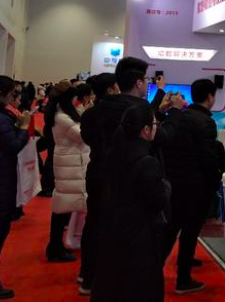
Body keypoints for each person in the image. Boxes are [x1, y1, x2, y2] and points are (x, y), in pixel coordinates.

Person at [78, 57, 183, 295]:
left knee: (96, 224)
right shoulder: (138, 113)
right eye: (146, 79)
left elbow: (89, 137)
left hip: (100, 174)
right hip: (135, 181)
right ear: (138, 82)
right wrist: (175, 112)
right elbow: (163, 137)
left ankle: (88, 276)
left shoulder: (99, 109)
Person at [90, 101, 171, 302]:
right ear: (145, 130)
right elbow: (158, 200)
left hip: (113, 231)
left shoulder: (114, 154)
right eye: (154, 124)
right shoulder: (147, 161)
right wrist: (166, 186)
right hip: (139, 236)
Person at [162, 79, 225, 295]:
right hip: (196, 187)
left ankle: (152, 269)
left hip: (175, 183)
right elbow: (208, 159)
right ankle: (183, 279)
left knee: (170, 229)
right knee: (189, 234)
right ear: (210, 97)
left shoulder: (179, 117)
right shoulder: (206, 122)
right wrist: (215, 180)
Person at [0, 76, 30, 299]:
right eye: (13, 94)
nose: (16, 98)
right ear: (1, 94)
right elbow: (13, 146)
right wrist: (23, 128)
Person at [78, 73, 119, 294]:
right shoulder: (116, 113)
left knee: (92, 222)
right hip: (111, 174)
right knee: (107, 225)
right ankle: (99, 277)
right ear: (111, 89)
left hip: (94, 171)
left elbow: (88, 139)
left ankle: (86, 273)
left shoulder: (89, 114)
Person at [46, 80, 90, 262]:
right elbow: (82, 135)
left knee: (64, 206)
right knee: (62, 208)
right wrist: (88, 114)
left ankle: (56, 246)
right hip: (69, 164)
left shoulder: (62, 114)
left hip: (69, 163)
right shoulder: (62, 117)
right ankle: (55, 248)